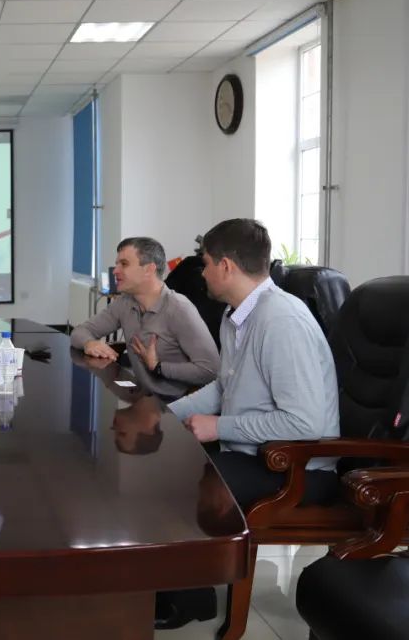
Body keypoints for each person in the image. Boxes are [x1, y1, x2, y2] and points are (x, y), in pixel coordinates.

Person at [159, 219, 341, 629]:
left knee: (185, 483)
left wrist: (219, 428)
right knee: (167, 461)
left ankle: (188, 599)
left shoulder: (281, 321)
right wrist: (165, 414)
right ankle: (181, 590)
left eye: (206, 264)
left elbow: (305, 424)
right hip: (255, 453)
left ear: (225, 266)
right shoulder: (236, 316)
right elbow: (224, 387)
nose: (202, 273)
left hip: (300, 467)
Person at [71, 237, 219, 399]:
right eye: (117, 264)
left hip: (170, 404)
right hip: (140, 395)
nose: (115, 271)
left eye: (124, 264)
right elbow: (80, 331)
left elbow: (210, 370)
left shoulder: (179, 309)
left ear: (149, 269)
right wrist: (89, 343)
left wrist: (158, 367)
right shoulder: (124, 302)